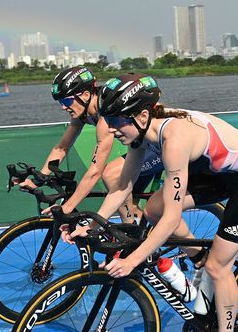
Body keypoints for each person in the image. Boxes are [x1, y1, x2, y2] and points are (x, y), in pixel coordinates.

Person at [67, 73, 238, 332]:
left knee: (219, 267)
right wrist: (92, 223)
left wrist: (132, 260)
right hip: (215, 175)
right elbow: (122, 188)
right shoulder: (140, 133)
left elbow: (171, 218)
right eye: (108, 118)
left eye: (115, 120)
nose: (109, 127)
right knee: (152, 207)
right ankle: (199, 264)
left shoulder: (174, 140)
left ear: (140, 115)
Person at [18, 66, 163, 222]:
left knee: (110, 174)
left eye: (67, 100)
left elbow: (95, 171)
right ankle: (144, 237)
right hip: (140, 147)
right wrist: (39, 179)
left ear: (86, 95)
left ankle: (130, 229)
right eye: (60, 101)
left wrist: (67, 207)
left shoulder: (105, 117)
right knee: (132, 206)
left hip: (159, 146)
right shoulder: (81, 113)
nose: (63, 107)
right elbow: (62, 147)